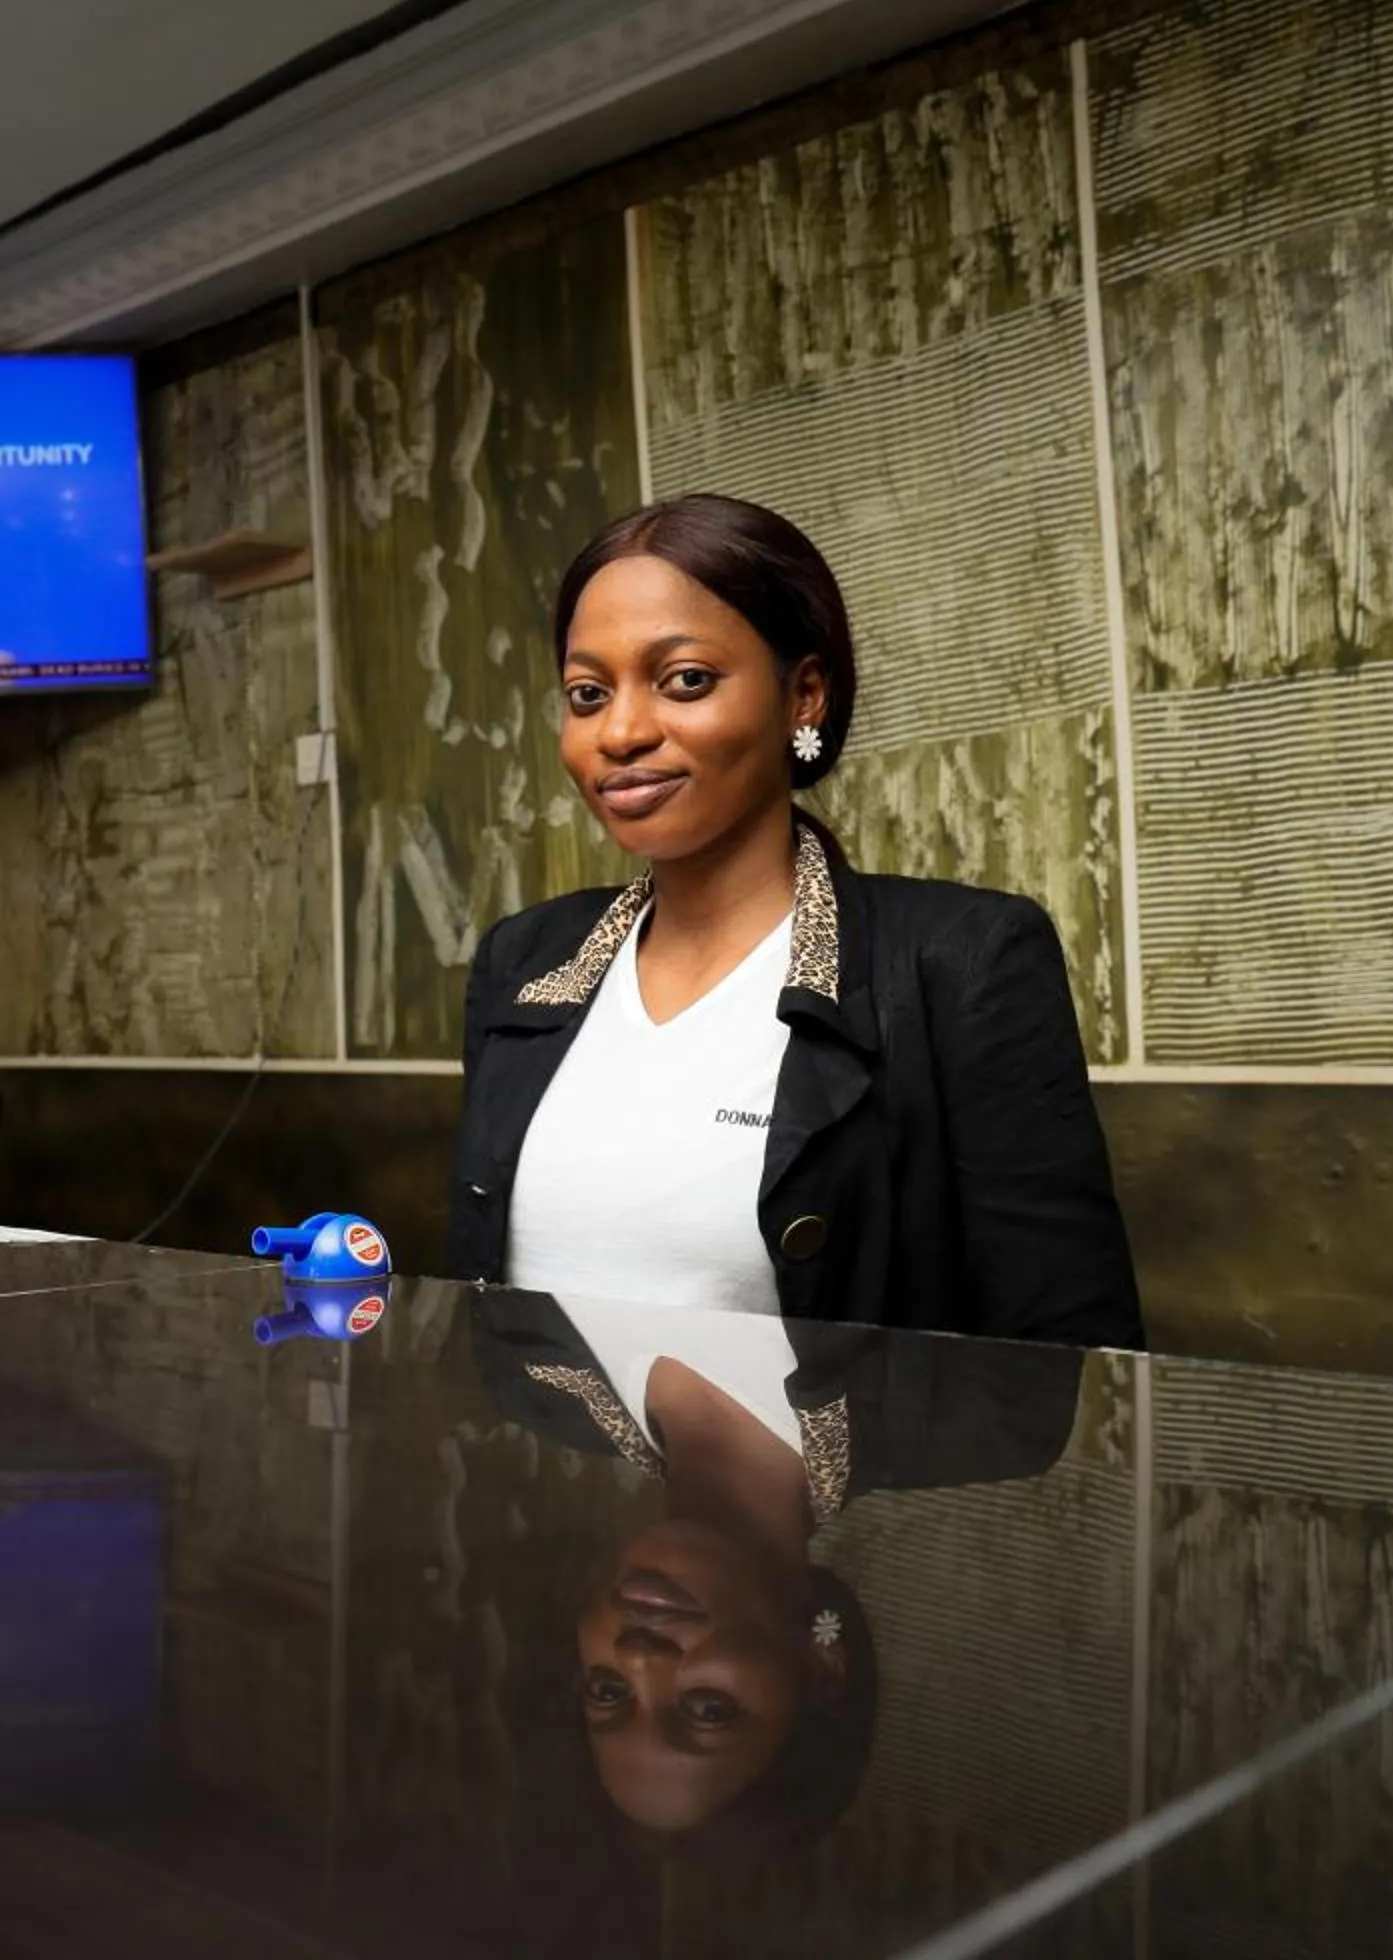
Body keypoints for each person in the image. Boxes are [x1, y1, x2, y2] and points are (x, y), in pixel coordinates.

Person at [450, 493, 1140, 1345]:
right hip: (530, 1479)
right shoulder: (522, 961)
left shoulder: (961, 961)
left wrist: (795, 1460)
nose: (620, 731)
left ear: (802, 695)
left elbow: (1067, 1363)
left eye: (685, 681)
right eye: (587, 694)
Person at [469, 1286, 1083, 1849]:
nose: (638, 1658)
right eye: (708, 1708)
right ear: (823, 1669)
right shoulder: (990, 1405)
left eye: (607, 1692)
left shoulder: (523, 1376)